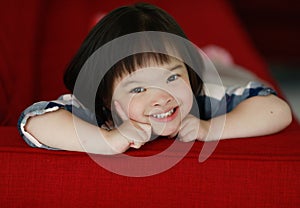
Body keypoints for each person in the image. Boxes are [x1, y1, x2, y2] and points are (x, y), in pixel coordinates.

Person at [18, 3, 292, 155]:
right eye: (139, 88)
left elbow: (275, 109)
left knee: (223, 71)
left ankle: (207, 59)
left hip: (219, 75)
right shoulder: (99, 112)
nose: (161, 98)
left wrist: (210, 129)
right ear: (106, 96)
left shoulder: (201, 101)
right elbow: (34, 121)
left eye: (172, 77)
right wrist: (108, 140)